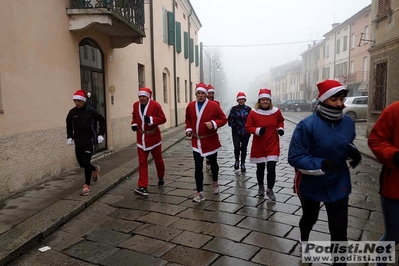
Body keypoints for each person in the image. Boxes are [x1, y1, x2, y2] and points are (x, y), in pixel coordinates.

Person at [288, 80, 361, 264]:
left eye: (342, 99)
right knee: (309, 218)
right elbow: (295, 157)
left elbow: (345, 142)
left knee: (339, 230)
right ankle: (305, 243)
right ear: (322, 100)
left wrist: (352, 151)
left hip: (338, 181)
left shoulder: (348, 122)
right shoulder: (306, 125)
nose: (339, 103)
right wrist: (322, 163)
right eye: (334, 99)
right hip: (312, 182)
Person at [368, 100, 399, 265]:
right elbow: (375, 141)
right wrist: (394, 156)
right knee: (393, 236)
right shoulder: (393, 111)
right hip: (394, 189)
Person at [185, 82, 227, 202]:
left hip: (210, 140)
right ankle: (200, 192)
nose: (200, 95)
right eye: (198, 93)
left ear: (206, 94)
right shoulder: (191, 106)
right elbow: (188, 118)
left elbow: (223, 119)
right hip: (196, 140)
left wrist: (214, 124)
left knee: (213, 163)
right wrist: (189, 129)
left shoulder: (213, 105)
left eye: (203, 93)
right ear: (196, 94)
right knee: (198, 166)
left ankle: (215, 182)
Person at [245, 88, 284, 201]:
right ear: (259, 101)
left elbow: (280, 121)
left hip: (272, 144)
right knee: (260, 167)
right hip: (259, 144)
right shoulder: (253, 113)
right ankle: (261, 186)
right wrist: (257, 130)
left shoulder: (276, 112)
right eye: (263, 100)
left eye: (267, 99)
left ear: (270, 101)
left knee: (271, 168)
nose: (265, 101)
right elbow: (248, 126)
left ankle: (270, 189)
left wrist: (280, 128)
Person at [66, 89, 106, 196]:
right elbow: (69, 125)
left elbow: (102, 120)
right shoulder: (72, 112)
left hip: (89, 140)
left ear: (84, 101)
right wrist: (69, 137)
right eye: (75, 101)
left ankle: (87, 185)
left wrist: (100, 134)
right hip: (78, 141)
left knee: (86, 161)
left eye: (79, 101)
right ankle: (95, 169)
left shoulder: (91, 111)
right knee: (82, 163)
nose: (77, 103)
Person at [131, 87, 167, 196]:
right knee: (142, 162)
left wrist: (152, 120)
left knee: (158, 160)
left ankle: (160, 176)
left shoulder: (155, 105)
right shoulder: (136, 105)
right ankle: (143, 187)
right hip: (141, 138)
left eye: (144, 96)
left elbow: (163, 119)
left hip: (154, 137)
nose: (141, 98)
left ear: (148, 97)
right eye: (140, 96)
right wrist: (134, 124)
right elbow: (134, 116)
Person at [228, 92, 252, 172]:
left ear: (245, 100)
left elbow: (252, 120)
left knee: (244, 148)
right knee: (237, 147)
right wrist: (232, 125)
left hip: (246, 132)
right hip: (236, 132)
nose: (241, 101)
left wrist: (250, 128)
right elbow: (229, 119)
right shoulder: (234, 109)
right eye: (239, 99)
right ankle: (236, 160)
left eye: (242, 99)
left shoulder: (248, 109)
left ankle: (243, 163)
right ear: (237, 100)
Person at [204, 83, 220, 173]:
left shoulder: (216, 103)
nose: (210, 95)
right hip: (204, 127)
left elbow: (219, 115)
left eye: (212, 93)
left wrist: (215, 123)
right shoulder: (203, 102)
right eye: (209, 93)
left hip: (213, 129)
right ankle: (208, 160)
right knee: (206, 147)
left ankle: (211, 163)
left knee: (212, 148)